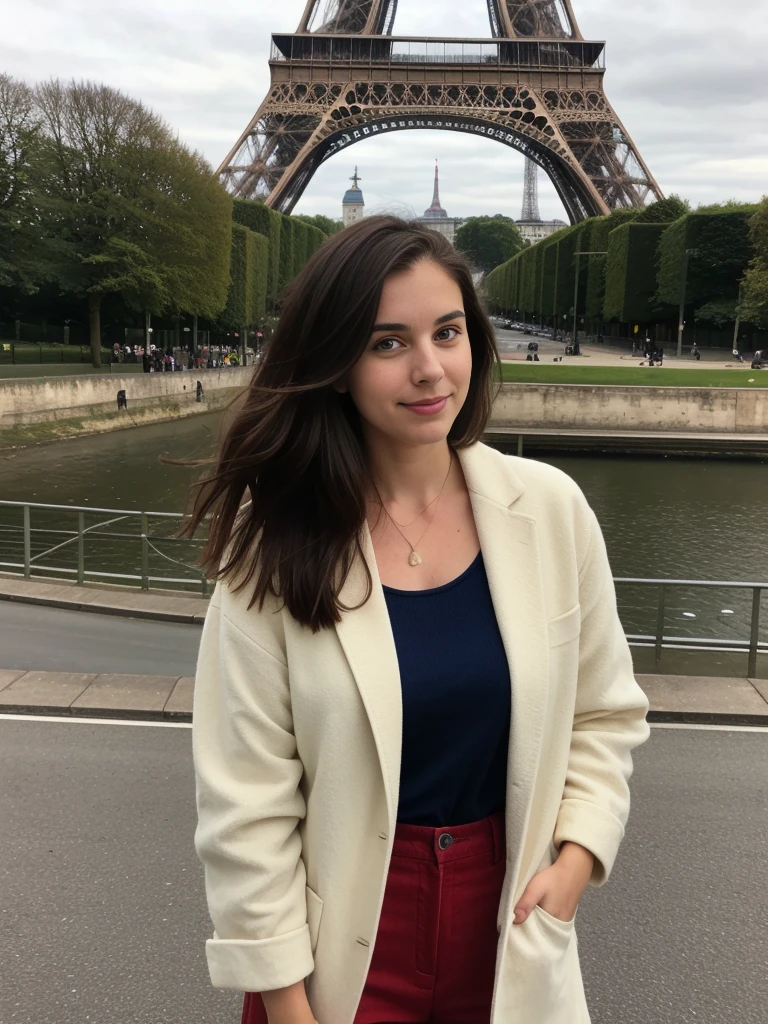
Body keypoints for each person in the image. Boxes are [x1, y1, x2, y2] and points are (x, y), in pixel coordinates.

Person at [186, 216, 650, 1024]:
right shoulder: (275, 546)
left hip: (510, 919)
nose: (431, 368)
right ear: (336, 365)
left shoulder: (552, 511)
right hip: (341, 946)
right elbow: (246, 802)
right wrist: (288, 1004)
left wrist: (576, 857)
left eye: (448, 331)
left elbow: (605, 712)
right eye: (388, 342)